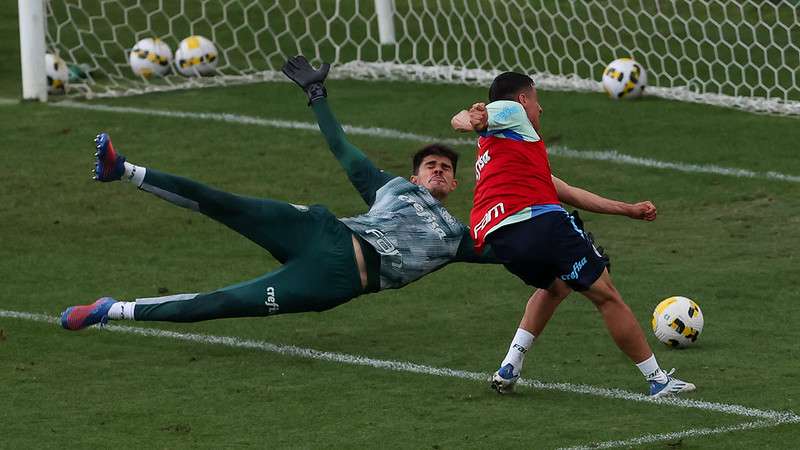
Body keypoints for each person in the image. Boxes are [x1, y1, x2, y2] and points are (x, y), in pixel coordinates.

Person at [60, 56, 500, 330]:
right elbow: (342, 149)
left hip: (335, 280)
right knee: (223, 203)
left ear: (454, 184)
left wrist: (559, 228)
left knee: (226, 302)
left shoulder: (457, 236)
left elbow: (514, 246)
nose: (438, 170)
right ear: (417, 176)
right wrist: (316, 93)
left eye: (446, 168)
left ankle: (111, 311)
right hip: (319, 231)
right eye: (431, 166)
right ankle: (124, 169)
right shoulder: (393, 188)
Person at [451, 71, 695, 398]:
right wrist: (476, 119)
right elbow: (468, 117)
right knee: (606, 294)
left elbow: (567, 191)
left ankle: (510, 365)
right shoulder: (513, 112)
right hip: (537, 224)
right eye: (537, 101)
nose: (540, 110)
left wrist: (627, 209)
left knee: (557, 285)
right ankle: (658, 380)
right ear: (524, 99)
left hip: (501, 239)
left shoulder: (507, 152)